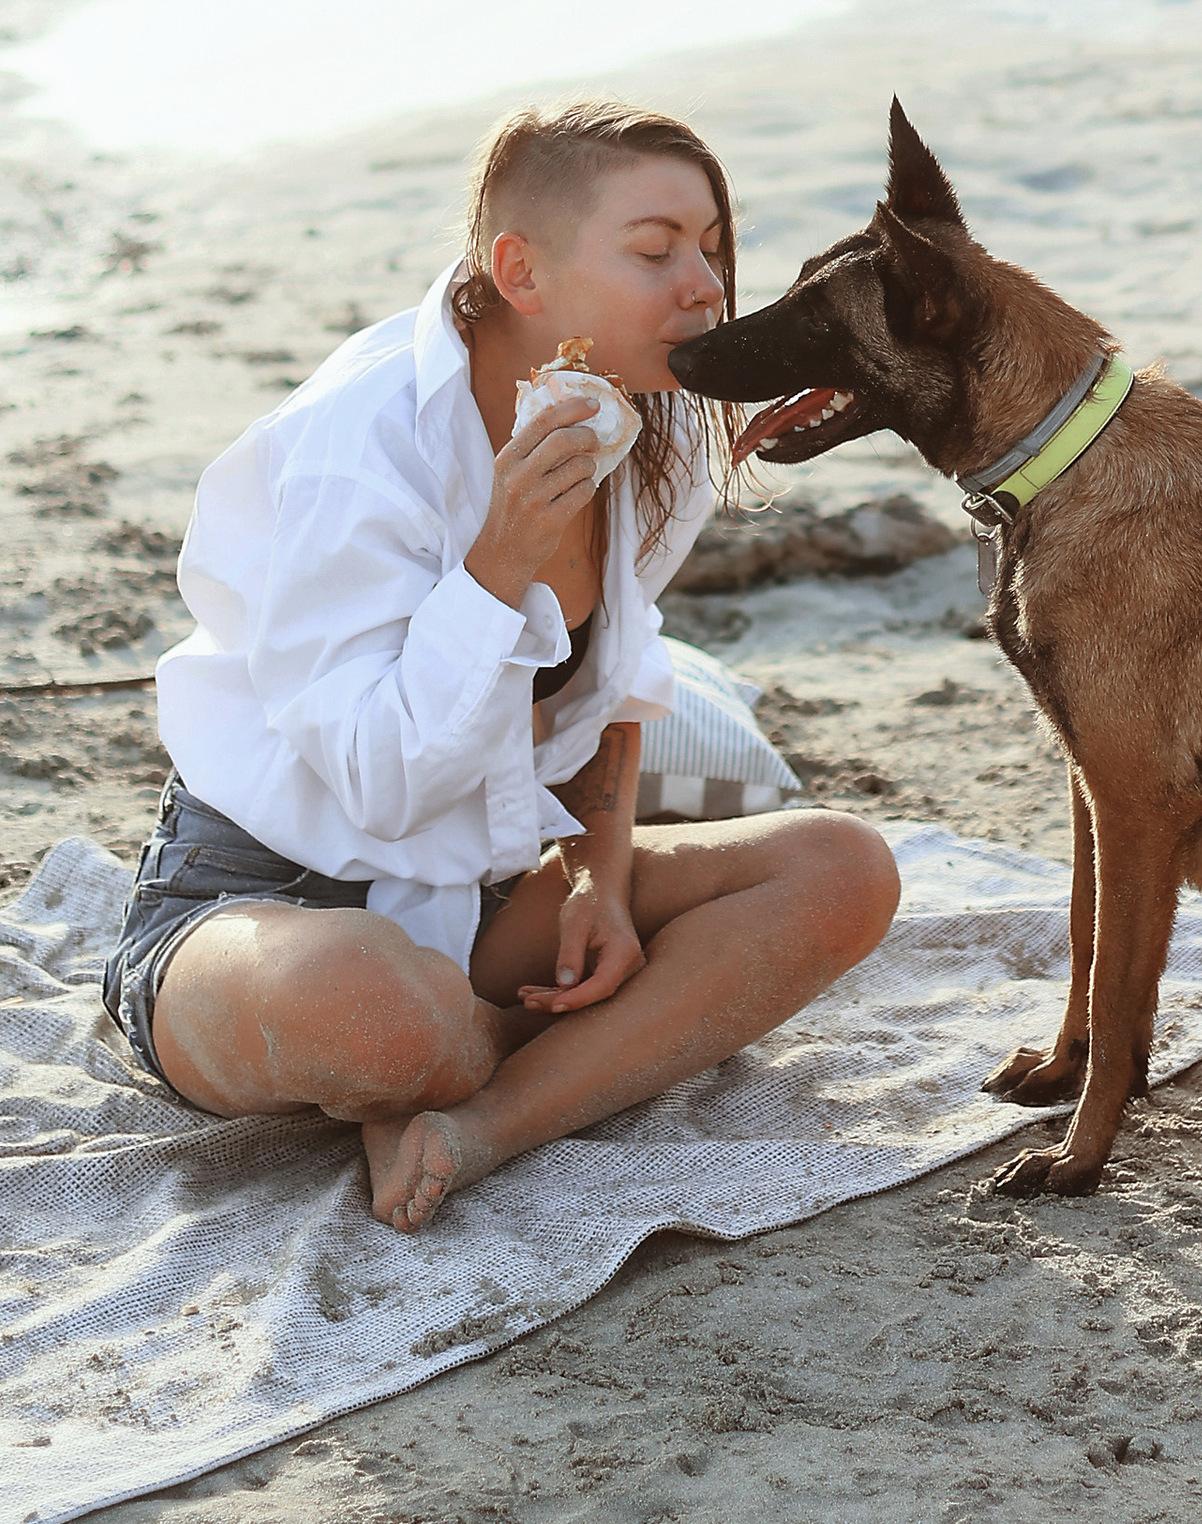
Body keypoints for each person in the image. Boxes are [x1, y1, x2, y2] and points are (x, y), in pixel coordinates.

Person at [101, 99, 899, 1231]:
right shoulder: (359, 445)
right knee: (380, 1016)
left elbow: (615, 674)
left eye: (714, 247)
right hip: (266, 899)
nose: (707, 287)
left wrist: (602, 881)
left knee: (843, 870)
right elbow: (382, 783)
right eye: (655, 248)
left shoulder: (649, 419)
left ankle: (473, 1124)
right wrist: (493, 568)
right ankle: (476, 1061)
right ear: (521, 270)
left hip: (481, 887)